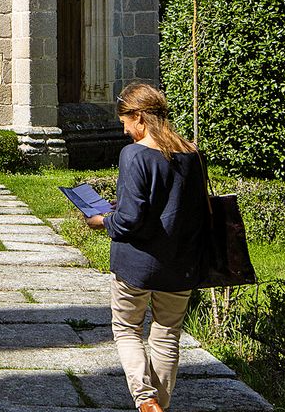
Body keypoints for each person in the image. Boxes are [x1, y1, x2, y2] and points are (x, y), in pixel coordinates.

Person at [85, 82, 208, 412]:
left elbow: (130, 219)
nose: (124, 130)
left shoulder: (135, 154)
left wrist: (101, 221)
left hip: (136, 265)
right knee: (167, 334)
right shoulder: (193, 153)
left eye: (124, 120)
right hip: (181, 264)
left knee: (127, 330)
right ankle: (159, 407)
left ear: (138, 117)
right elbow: (182, 204)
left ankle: (145, 399)